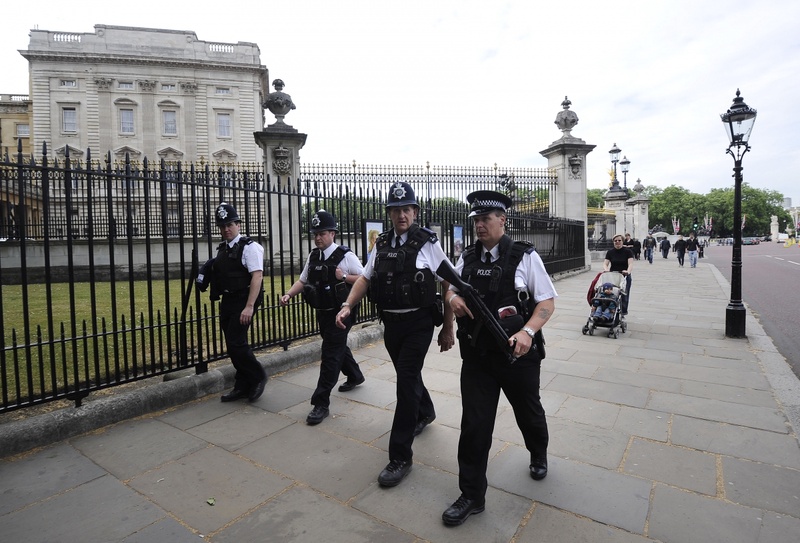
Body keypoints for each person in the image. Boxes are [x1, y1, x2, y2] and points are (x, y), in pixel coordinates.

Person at [441, 190, 557, 527]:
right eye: (475, 219)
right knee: (474, 427)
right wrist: (451, 299)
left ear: (502, 220)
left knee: (529, 413)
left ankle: (538, 452)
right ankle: (472, 495)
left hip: (518, 355)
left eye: (485, 219)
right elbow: (449, 285)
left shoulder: (524, 256)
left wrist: (528, 331)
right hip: (478, 357)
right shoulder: (467, 257)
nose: (479, 225)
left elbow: (546, 302)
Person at [335, 181, 455, 488]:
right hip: (391, 325)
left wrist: (448, 327)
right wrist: (348, 304)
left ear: (415, 211)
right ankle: (425, 412)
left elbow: (448, 282)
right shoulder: (383, 243)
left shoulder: (428, 243)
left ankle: (400, 457)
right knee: (409, 377)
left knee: (404, 383)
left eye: (406, 209)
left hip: (418, 325)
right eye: (396, 210)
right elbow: (365, 277)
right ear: (389, 213)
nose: (401, 215)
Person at [280, 210, 365, 425]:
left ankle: (321, 403)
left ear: (333, 233)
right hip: (323, 313)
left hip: (342, 313)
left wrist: (344, 276)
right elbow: (303, 280)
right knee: (335, 347)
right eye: (315, 233)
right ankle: (355, 375)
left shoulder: (346, 256)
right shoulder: (314, 256)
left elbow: (365, 279)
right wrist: (289, 294)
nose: (318, 237)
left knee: (330, 356)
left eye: (323, 233)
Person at [202, 202, 268, 403]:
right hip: (229, 299)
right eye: (222, 226)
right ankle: (242, 385)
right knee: (232, 344)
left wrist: (249, 306)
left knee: (236, 342)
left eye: (230, 224)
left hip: (244, 298)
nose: (226, 229)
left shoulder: (250, 247)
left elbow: (257, 277)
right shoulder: (223, 248)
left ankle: (258, 377)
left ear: (238, 224)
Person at [603, 234, 633, 315]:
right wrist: (606, 270)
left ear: (622, 241)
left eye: (619, 240)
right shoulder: (610, 252)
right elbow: (605, 263)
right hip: (613, 275)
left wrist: (628, 271)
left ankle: (623, 312)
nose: (617, 242)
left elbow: (630, 264)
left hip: (624, 275)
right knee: (610, 293)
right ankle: (610, 310)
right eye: (615, 241)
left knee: (624, 295)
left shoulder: (628, 252)